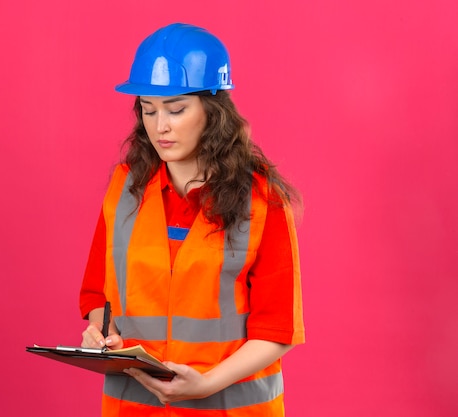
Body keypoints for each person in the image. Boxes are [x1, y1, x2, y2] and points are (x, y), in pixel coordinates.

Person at [79, 22, 305, 416]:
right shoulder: (123, 188)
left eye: (176, 109)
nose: (159, 126)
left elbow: (278, 328)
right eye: (148, 109)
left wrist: (205, 385)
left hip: (227, 409)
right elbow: (99, 297)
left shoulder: (262, 200)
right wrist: (106, 336)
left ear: (213, 111)